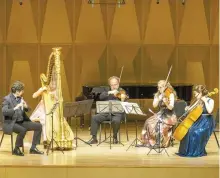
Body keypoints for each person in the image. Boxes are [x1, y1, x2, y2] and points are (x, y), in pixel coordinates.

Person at [30, 47, 75, 150]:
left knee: (59, 119)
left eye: (53, 82)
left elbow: (56, 100)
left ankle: (59, 138)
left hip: (53, 109)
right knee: (44, 120)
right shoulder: (44, 88)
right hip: (43, 109)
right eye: (51, 82)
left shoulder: (55, 90)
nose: (52, 84)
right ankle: (46, 140)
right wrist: (41, 90)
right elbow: (34, 96)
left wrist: (56, 97)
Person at [2, 81, 44, 156]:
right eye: (22, 90)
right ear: (17, 91)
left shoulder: (20, 98)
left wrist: (25, 106)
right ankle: (16, 149)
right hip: (11, 123)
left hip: (21, 121)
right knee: (22, 130)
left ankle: (33, 148)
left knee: (39, 126)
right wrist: (15, 108)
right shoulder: (7, 99)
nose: (23, 92)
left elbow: (28, 110)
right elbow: (4, 112)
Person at [176, 85, 215, 157]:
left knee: (195, 132)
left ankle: (196, 151)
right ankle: (186, 151)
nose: (195, 96)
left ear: (201, 93)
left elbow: (210, 111)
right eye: (194, 94)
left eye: (196, 94)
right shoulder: (197, 101)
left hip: (207, 121)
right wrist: (187, 109)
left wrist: (205, 101)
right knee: (188, 130)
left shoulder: (210, 100)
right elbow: (191, 110)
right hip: (198, 120)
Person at [87, 76, 127, 144]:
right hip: (106, 113)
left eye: (115, 84)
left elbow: (125, 100)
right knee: (94, 118)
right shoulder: (107, 91)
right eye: (112, 85)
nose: (114, 86)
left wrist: (121, 97)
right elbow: (101, 97)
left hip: (117, 114)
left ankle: (115, 137)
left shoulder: (121, 91)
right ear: (110, 85)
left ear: (118, 84)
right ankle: (94, 138)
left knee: (116, 120)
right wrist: (109, 92)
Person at [139, 80, 177, 148]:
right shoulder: (157, 95)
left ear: (166, 87)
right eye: (158, 87)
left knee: (160, 125)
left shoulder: (170, 94)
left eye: (161, 87)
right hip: (161, 113)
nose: (159, 89)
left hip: (170, 115)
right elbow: (154, 105)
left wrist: (166, 103)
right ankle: (145, 140)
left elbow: (171, 108)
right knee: (148, 121)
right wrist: (159, 98)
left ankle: (160, 142)